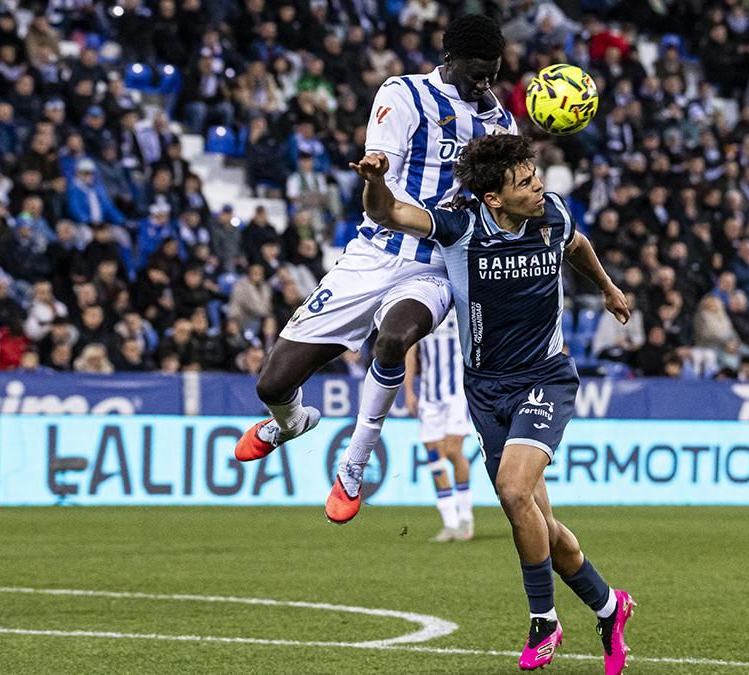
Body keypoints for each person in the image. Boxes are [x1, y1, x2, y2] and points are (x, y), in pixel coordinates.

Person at [345, 135, 636, 673]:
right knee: (541, 526)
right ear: (494, 199)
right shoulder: (460, 224)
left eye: (536, 176)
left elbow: (577, 245)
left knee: (510, 490)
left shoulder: (552, 215)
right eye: (525, 182)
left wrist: (609, 289)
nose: (539, 187)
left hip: (545, 378)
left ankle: (543, 622)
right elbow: (386, 212)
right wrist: (375, 180)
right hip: (485, 387)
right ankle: (609, 605)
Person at [234, 15, 516, 528]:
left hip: (433, 266)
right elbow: (378, 187)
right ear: (448, 59)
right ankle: (291, 422)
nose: (485, 84)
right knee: (272, 384)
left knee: (394, 339)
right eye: (476, 72)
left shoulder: (499, 124)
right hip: (372, 254)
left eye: (492, 73)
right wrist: (374, 181)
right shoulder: (403, 95)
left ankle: (352, 467)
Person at [405, 311, 476, 542]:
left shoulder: (463, 309)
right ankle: (450, 522)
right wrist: (408, 391)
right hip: (429, 397)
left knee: (453, 450)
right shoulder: (427, 311)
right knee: (434, 455)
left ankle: (465, 516)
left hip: (457, 394)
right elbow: (411, 350)